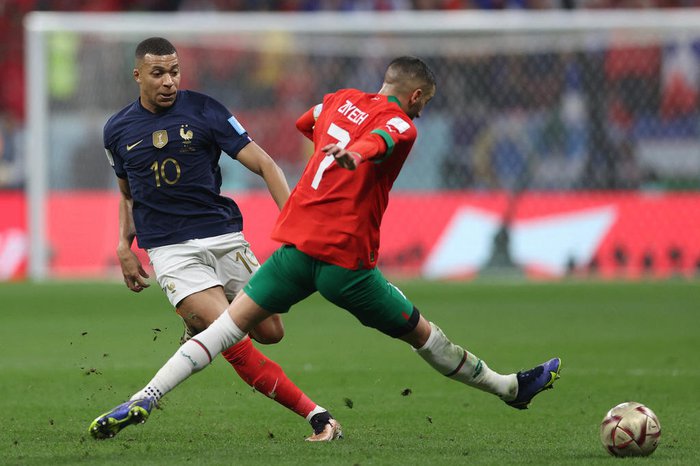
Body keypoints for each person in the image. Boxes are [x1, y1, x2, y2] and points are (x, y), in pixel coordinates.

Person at [91, 56, 561, 439]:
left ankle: (144, 398)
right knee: (422, 333)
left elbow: (307, 121)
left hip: (295, 251)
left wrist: (334, 141)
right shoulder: (403, 123)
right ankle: (509, 388)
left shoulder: (336, 100)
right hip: (346, 265)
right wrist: (356, 153)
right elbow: (382, 139)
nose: (420, 112)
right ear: (416, 96)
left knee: (228, 333)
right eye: (423, 104)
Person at [88, 37, 341, 442]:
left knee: (271, 332)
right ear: (138, 76)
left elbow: (265, 162)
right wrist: (124, 245)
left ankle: (195, 329)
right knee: (229, 334)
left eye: (174, 71)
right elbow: (127, 193)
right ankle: (318, 416)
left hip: (224, 237)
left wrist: (298, 224)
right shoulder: (117, 130)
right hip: (171, 250)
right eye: (158, 73)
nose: (169, 81)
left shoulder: (205, 110)